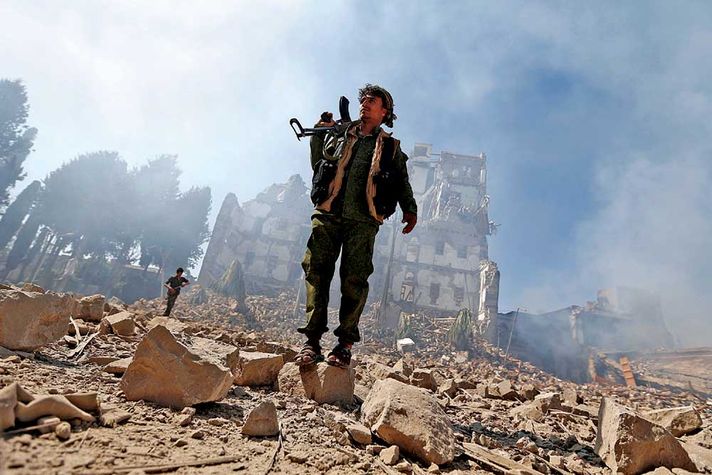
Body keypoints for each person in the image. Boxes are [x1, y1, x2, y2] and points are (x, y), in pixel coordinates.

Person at [295, 84, 417, 368]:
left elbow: (401, 181)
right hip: (327, 213)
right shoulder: (339, 133)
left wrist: (409, 209)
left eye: (372, 101)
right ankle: (311, 341)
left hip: (363, 220)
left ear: (384, 111)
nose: (365, 103)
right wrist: (321, 132)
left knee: (354, 280)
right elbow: (319, 165)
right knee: (316, 272)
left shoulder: (390, 147)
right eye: (363, 99)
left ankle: (344, 344)